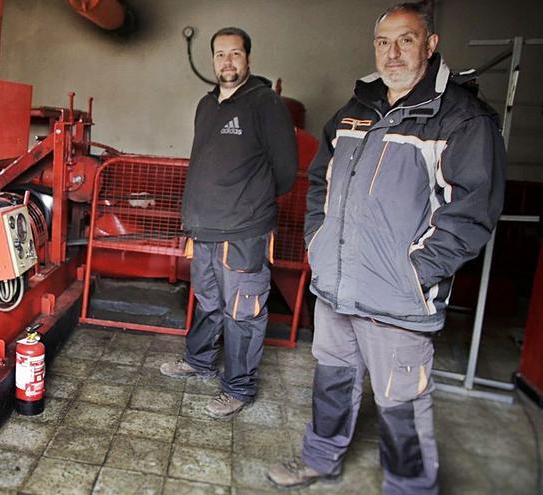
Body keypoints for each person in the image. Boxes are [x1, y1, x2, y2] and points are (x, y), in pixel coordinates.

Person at [266, 3, 505, 493]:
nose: (392, 53)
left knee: (402, 406)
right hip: (336, 286)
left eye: (406, 40)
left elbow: (473, 212)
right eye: (382, 42)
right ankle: (320, 459)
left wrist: (415, 272)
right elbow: (320, 183)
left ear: (430, 44)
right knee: (332, 383)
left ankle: (411, 488)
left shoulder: (461, 119)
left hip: (398, 298)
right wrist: (319, 240)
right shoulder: (354, 111)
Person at [160, 26, 297, 419]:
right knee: (206, 300)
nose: (227, 62)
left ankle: (238, 388)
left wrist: (248, 204)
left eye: (235, 54)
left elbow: (285, 171)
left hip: (243, 231)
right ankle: (199, 361)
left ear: (248, 58)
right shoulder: (207, 105)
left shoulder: (265, 103)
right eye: (221, 54)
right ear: (213, 60)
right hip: (204, 228)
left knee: (243, 309)